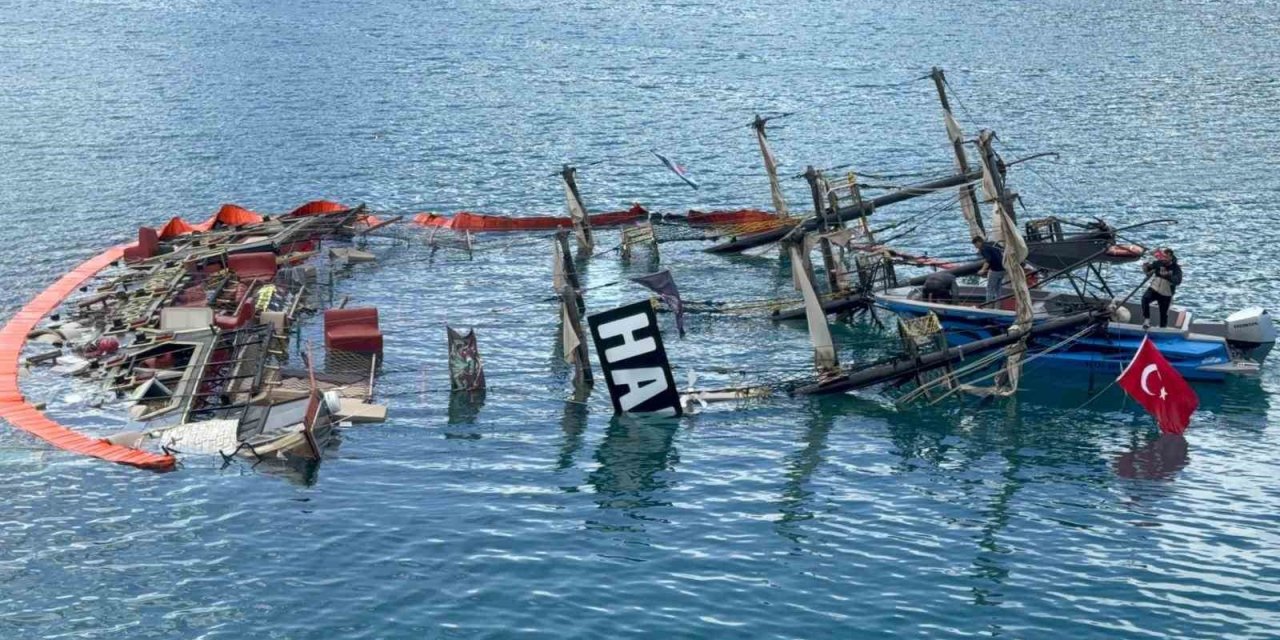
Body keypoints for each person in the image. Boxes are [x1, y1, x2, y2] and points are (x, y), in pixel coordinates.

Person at [1141, 247, 1182, 329]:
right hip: (1154, 289)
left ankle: (1162, 328)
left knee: (1163, 315)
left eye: (1166, 257)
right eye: (1163, 257)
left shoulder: (1176, 268)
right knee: (1145, 299)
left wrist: (1167, 276)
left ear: (1171, 257)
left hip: (1166, 293)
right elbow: (1148, 270)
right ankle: (1147, 319)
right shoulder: (1158, 263)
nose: (1164, 259)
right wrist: (1145, 267)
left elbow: (1178, 281)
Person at [972, 236, 1005, 302]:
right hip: (1003, 269)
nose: (975, 247)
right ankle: (998, 307)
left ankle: (988, 306)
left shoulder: (983, 248)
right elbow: (1002, 251)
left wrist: (982, 270)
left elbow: (988, 260)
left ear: (979, 242)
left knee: (990, 289)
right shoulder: (992, 243)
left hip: (995, 270)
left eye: (975, 244)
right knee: (998, 289)